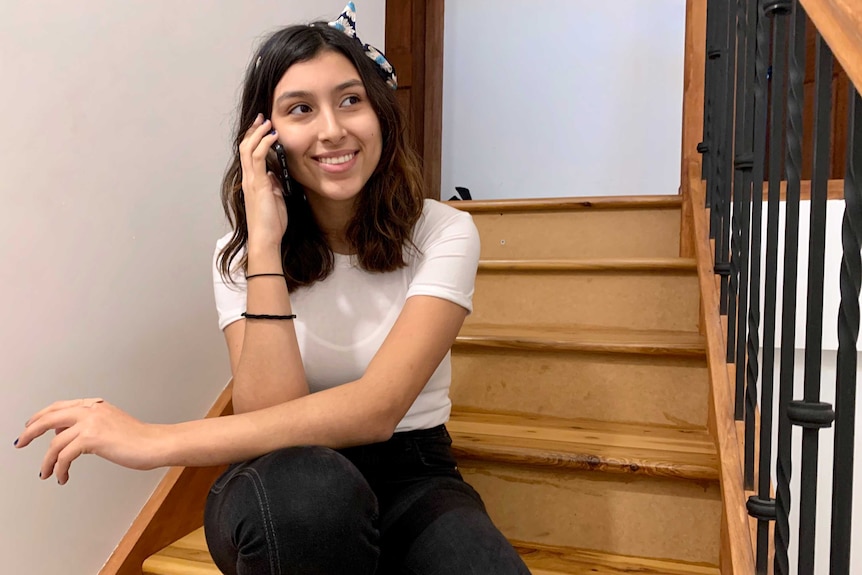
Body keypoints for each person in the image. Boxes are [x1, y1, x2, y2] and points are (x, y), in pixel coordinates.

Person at [15, 3, 531, 574]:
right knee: (311, 497)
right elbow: (270, 415)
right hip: (282, 480)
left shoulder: (442, 232)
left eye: (351, 100)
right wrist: (263, 245)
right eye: (300, 109)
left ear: (381, 112)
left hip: (412, 470)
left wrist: (155, 442)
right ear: (266, 136)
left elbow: (378, 410)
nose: (332, 129)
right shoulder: (238, 254)